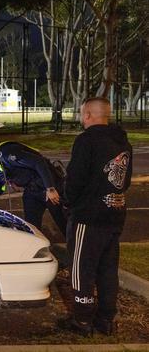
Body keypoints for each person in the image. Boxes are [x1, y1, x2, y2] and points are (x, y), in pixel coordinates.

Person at [58, 97, 132, 336]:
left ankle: (82, 321)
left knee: (81, 269)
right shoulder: (122, 141)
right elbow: (125, 180)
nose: (82, 118)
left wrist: (67, 201)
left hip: (88, 216)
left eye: (82, 114)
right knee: (108, 270)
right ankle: (106, 319)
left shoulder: (86, 140)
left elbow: (75, 178)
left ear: (88, 114)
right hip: (114, 214)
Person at [0, 141, 67, 234]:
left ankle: (75, 246)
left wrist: (50, 188)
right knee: (31, 228)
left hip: (49, 184)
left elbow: (38, 162)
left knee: (63, 221)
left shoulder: (5, 153)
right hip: (32, 190)